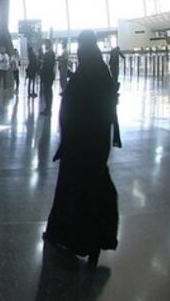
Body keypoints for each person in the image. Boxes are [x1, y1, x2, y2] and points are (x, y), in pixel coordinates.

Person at [43, 30, 120, 267]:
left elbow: (70, 108)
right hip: (97, 144)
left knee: (71, 190)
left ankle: (67, 236)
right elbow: (110, 104)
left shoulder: (83, 73)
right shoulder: (102, 71)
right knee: (95, 188)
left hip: (78, 145)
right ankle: (97, 239)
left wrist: (66, 138)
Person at [40, 40, 57, 115]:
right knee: (47, 92)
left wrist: (43, 62)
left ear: (49, 44)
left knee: (48, 92)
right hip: (47, 75)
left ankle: (48, 109)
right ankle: (47, 108)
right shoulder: (48, 53)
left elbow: (49, 65)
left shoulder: (50, 53)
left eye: (46, 44)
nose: (45, 46)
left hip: (48, 75)